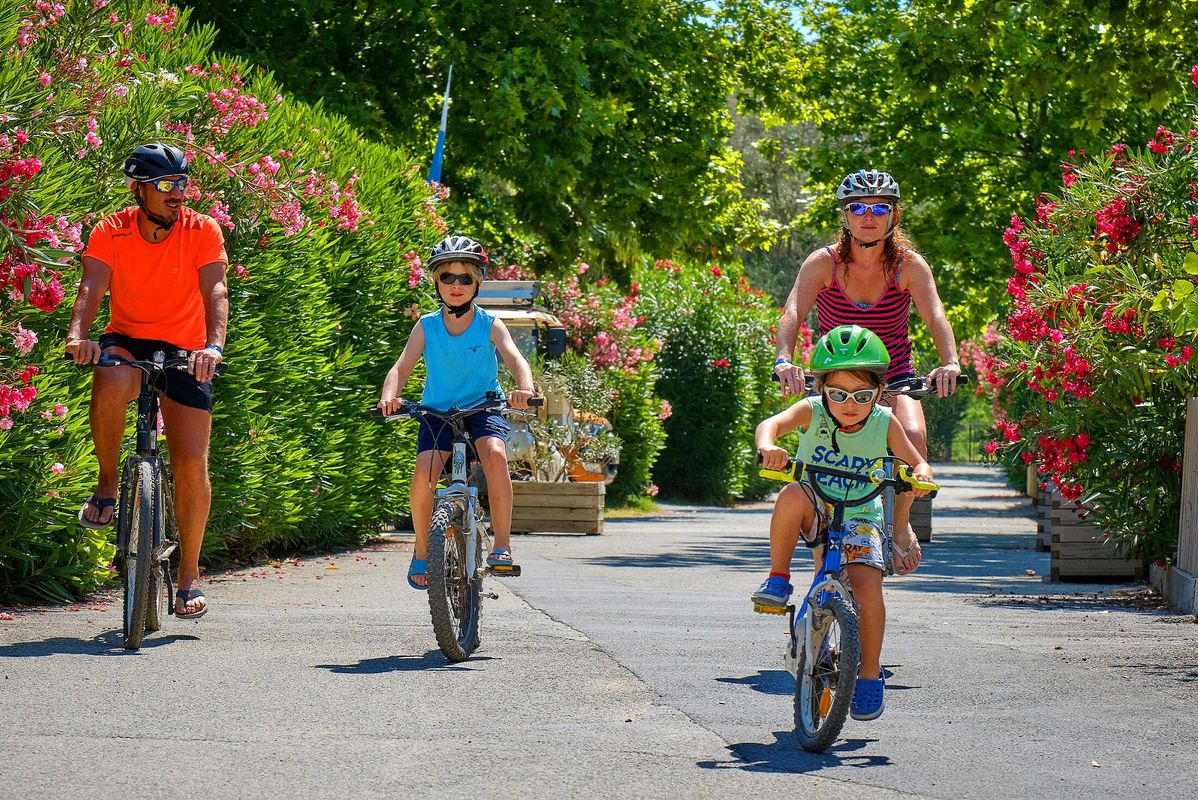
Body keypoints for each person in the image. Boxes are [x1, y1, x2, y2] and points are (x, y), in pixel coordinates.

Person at [65, 143, 228, 619]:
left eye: (183, 183)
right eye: (165, 185)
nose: (177, 193)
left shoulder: (203, 229)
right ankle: (109, 483)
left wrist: (213, 346)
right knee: (110, 376)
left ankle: (189, 576)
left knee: (192, 464)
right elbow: (91, 285)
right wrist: (79, 336)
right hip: (128, 338)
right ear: (138, 189)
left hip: (188, 349)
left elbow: (215, 288)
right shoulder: (111, 230)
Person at [773, 169, 959, 557]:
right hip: (836, 378)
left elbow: (935, 314)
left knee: (915, 439)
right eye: (858, 207)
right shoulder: (823, 264)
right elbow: (792, 311)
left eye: (880, 207)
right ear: (845, 216)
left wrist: (950, 362)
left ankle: (901, 522)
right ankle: (820, 523)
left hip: (893, 377)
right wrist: (784, 360)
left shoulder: (909, 266)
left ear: (894, 215)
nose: (868, 216)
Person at [753, 325, 933, 721]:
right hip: (817, 506)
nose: (849, 404)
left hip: (861, 515)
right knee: (789, 495)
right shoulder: (811, 412)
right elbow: (771, 425)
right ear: (821, 390)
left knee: (868, 586)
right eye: (838, 394)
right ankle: (778, 579)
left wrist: (920, 471)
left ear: (879, 393)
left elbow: (912, 458)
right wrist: (769, 447)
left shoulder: (884, 421)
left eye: (862, 395)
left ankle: (868, 674)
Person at [376, 235, 536, 589]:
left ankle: (503, 546)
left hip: (483, 407)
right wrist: (390, 396)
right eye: (448, 277)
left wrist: (525, 388)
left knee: (494, 454)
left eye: (466, 277)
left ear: (478, 282)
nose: (457, 285)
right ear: (436, 282)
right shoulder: (428, 325)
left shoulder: (489, 324)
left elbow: (514, 359)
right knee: (423, 473)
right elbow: (401, 368)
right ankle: (421, 549)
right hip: (437, 412)